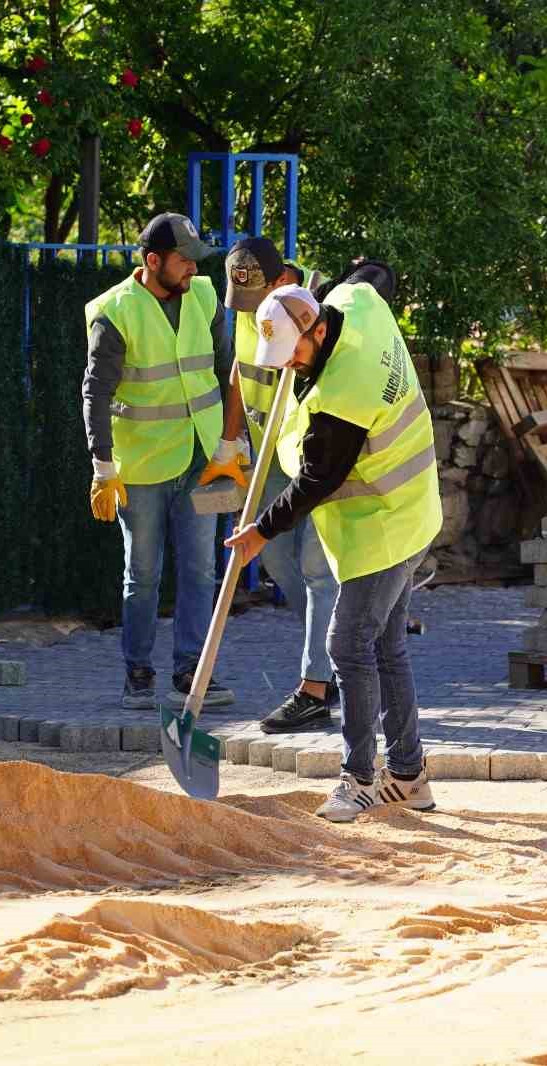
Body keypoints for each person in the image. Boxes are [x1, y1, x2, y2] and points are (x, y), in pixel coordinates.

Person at [224, 282, 441, 820]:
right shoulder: (355, 303)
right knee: (386, 647)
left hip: (385, 526)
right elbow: (363, 281)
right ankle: (409, 777)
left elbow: (317, 479)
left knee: (346, 644)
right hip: (412, 507)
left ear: (319, 330)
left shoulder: (345, 393)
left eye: (295, 353)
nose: (291, 366)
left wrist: (260, 532)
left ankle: (361, 778)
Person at [83, 212, 246, 710]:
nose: (193, 270)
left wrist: (230, 444)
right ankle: (138, 673)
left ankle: (192, 672)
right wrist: (103, 466)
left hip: (202, 458)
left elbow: (227, 370)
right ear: (153, 262)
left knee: (200, 570)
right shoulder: (115, 311)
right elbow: (96, 393)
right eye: (183, 261)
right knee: (143, 574)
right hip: (144, 467)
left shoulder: (203, 297)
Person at [223, 237, 339, 734]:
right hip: (270, 453)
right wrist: (230, 442)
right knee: (269, 555)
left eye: (255, 300)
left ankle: (316, 684)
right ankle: (331, 652)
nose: (248, 313)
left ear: (282, 283)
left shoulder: (314, 307)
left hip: (311, 452)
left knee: (318, 568)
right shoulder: (249, 307)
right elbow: (240, 372)